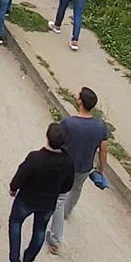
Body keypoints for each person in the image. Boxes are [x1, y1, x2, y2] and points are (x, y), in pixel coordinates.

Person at [45, 86, 110, 252]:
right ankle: (68, 211)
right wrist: (101, 171)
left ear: (80, 101)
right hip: (85, 166)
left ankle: (55, 240)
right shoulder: (101, 126)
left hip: (66, 166)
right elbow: (103, 150)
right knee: (77, 188)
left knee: (59, 199)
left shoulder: (68, 123)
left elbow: (57, 143)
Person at [7, 124, 74, 262]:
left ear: (47, 137)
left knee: (15, 223)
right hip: (48, 203)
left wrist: (13, 188)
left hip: (26, 199)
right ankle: (28, 260)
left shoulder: (35, 158)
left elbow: (21, 175)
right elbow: (67, 186)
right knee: (40, 230)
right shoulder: (67, 162)